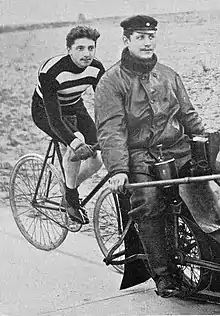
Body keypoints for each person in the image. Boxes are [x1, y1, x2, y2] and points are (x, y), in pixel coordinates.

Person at [94, 15, 205, 297]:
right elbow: (111, 130)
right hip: (139, 156)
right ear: (127, 40)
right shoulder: (111, 81)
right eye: (140, 37)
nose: (147, 42)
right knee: (149, 203)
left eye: (151, 36)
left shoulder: (168, 75)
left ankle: (209, 263)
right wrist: (119, 169)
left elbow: (188, 114)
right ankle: (164, 275)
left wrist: (205, 140)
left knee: (204, 192)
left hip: (176, 150)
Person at [31, 25, 105, 225]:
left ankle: (67, 189)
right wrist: (74, 142)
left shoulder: (96, 68)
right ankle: (71, 200)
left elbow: (105, 105)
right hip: (45, 111)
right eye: (80, 48)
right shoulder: (52, 71)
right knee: (77, 143)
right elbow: (55, 119)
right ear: (69, 50)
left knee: (97, 159)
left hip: (74, 105)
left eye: (91, 48)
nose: (87, 54)